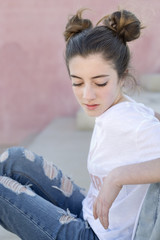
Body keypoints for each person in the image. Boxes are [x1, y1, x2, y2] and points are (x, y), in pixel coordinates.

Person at [0, 8, 160, 240]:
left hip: (95, 236)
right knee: (15, 159)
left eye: (100, 83)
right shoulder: (122, 110)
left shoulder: (134, 124)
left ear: (122, 76)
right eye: (77, 82)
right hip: (88, 211)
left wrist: (119, 176)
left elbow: (143, 128)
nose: (87, 95)